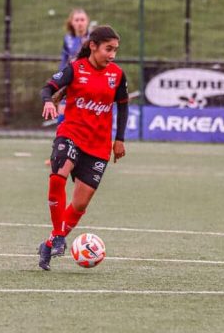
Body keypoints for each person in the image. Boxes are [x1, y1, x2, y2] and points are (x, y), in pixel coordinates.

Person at [37, 25, 129, 271]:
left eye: (115, 50)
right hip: (71, 134)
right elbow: (48, 87)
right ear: (93, 46)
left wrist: (118, 139)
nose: (112, 55)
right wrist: (48, 101)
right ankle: (58, 236)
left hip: (98, 146)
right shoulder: (75, 69)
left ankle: (49, 244)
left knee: (80, 204)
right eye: (108, 49)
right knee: (57, 177)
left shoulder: (117, 75)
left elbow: (123, 106)